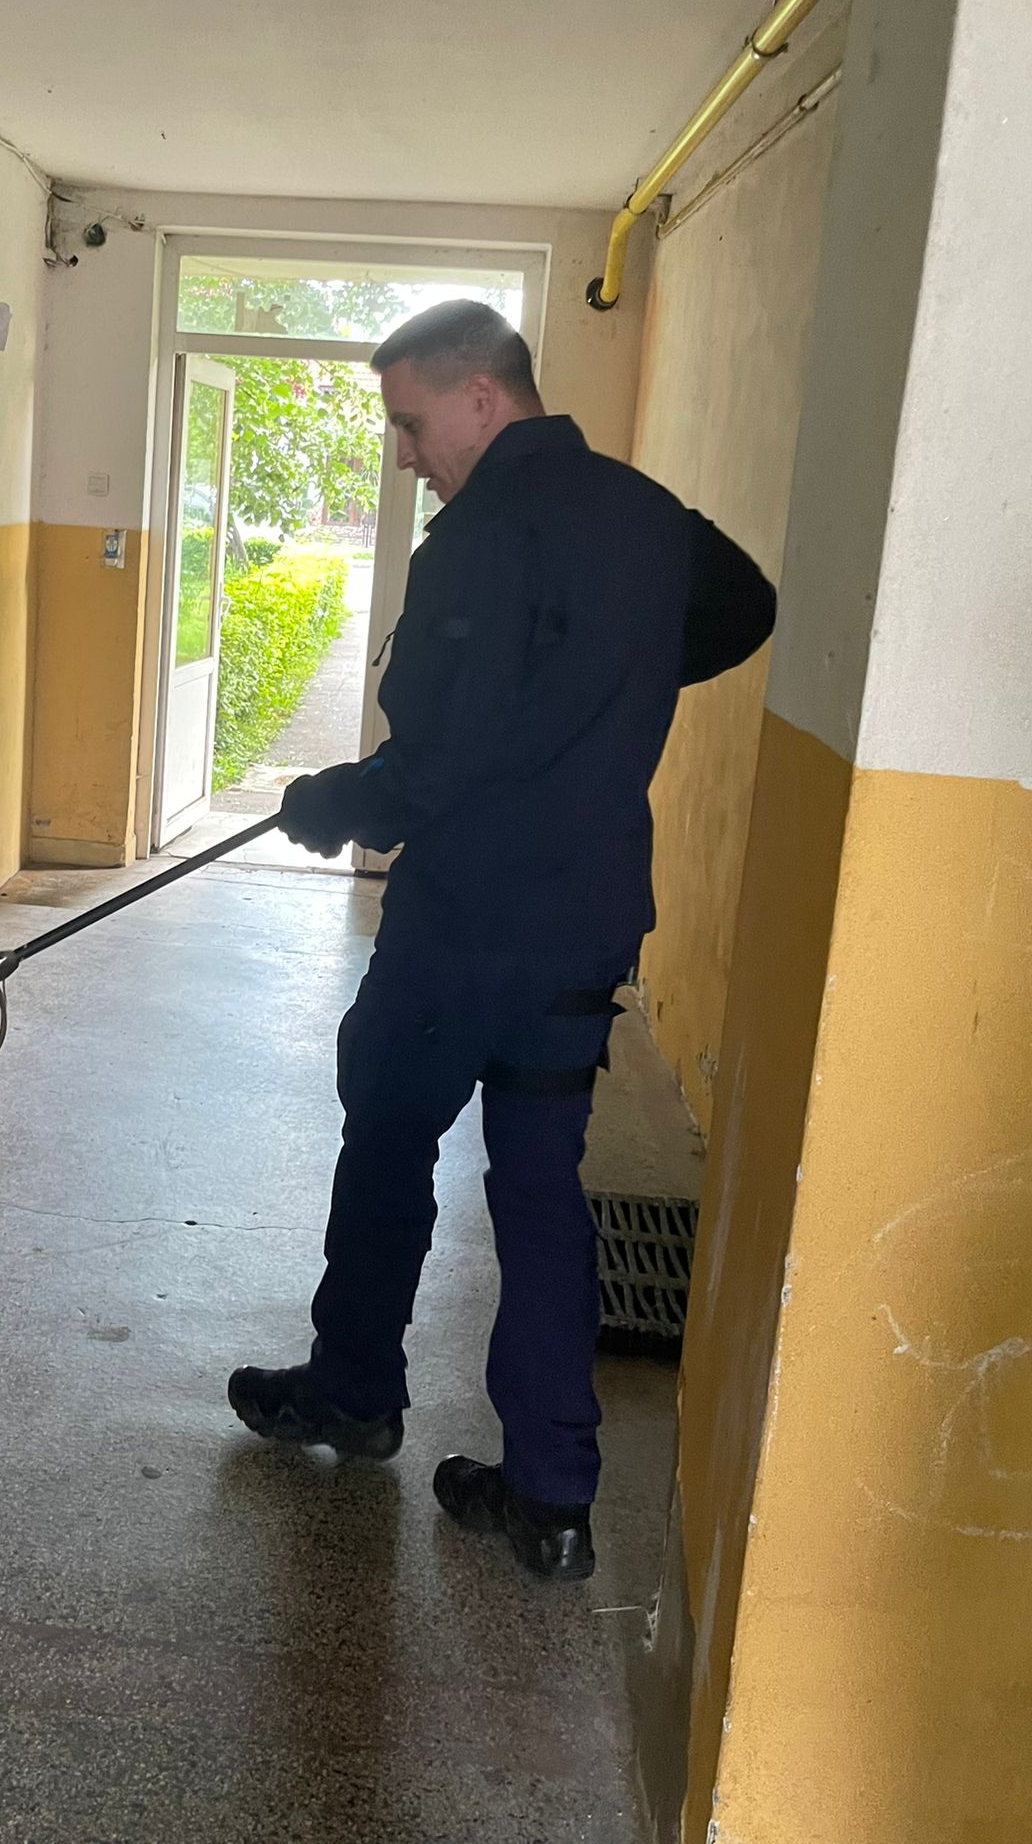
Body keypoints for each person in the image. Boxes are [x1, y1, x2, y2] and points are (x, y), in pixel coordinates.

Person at [227, 300, 776, 1583]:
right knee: (538, 1192)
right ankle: (552, 1494)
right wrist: (610, 681)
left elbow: (437, 762)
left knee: (387, 1142)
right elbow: (745, 606)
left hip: (463, 929)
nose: (406, 453)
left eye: (412, 423)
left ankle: (354, 1388)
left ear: (482, 395)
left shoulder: (478, 540)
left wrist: (330, 804)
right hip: (581, 929)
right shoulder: (645, 515)